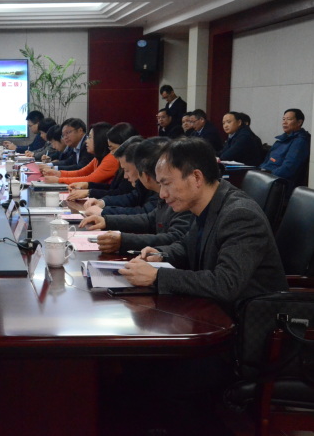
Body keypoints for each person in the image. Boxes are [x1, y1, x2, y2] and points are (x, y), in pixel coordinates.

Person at [118, 136, 288, 312]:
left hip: (246, 317)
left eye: (166, 184)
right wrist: (161, 254)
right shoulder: (204, 203)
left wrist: (157, 276)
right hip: (212, 308)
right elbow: (188, 246)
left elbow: (226, 284)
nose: (162, 194)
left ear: (196, 177)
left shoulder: (240, 215)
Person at [80, 137, 193, 254]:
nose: (162, 194)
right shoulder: (168, 193)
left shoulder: (185, 200)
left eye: (167, 183)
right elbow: (150, 219)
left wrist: (124, 240)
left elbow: (175, 239)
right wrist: (107, 221)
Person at [67, 126, 140, 200]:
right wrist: (87, 185)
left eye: (113, 148)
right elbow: (111, 187)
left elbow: (121, 194)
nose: (111, 153)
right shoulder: (118, 164)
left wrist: (89, 192)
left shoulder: (116, 162)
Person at [42, 122, 119, 185]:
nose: (86, 141)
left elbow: (90, 179)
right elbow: (81, 172)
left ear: (99, 139)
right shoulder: (97, 157)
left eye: (90, 137)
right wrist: (57, 173)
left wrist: (59, 180)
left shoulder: (110, 158)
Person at [259, 108, 311, 192]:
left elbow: (288, 169)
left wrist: (266, 177)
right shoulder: (281, 139)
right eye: (283, 119)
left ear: (299, 122)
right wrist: (258, 172)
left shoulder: (300, 142)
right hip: (266, 176)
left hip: (279, 183)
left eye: (289, 119)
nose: (284, 122)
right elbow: (266, 161)